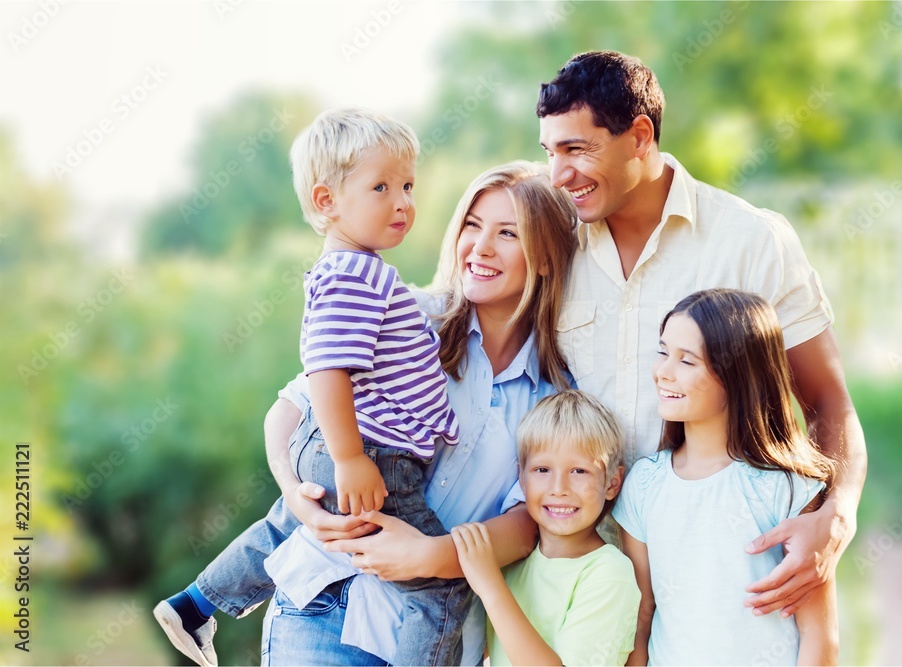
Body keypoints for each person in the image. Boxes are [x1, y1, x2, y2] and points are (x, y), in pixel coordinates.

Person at [154, 160, 578, 666]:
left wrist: (433, 556)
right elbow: (291, 410)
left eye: (508, 233)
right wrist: (297, 495)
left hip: (429, 635)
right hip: (326, 601)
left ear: (547, 258)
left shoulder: (553, 396)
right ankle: (202, 605)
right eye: (472, 224)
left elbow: (529, 520)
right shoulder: (408, 319)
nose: (480, 247)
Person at [536, 50, 866, 616]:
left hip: (716, 574)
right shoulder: (549, 238)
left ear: (640, 136)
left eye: (577, 149)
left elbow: (828, 399)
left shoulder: (751, 241)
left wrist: (836, 513)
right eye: (550, 151)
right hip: (575, 576)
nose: (557, 174)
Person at [159, 106, 471, 666]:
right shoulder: (360, 274)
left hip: (342, 446)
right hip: (374, 451)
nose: (402, 201)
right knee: (441, 582)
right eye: (381, 187)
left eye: (407, 185)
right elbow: (328, 370)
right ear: (327, 202)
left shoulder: (350, 269)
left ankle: (198, 601)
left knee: (296, 516)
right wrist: (351, 457)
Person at [614, 289, 838, 666]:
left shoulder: (785, 488)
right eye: (663, 351)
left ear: (737, 375)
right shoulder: (644, 484)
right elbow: (642, 616)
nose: (663, 371)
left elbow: (819, 637)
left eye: (687, 361)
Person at [452, 390, 640, 666]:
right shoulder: (516, 562)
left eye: (579, 471)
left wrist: (490, 585)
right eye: (542, 470)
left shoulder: (608, 573)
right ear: (522, 479)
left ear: (612, 483)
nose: (559, 489)